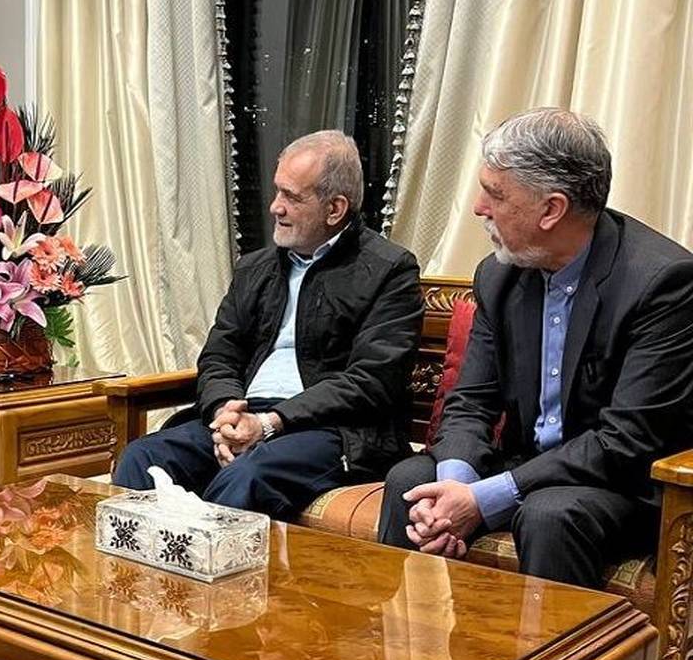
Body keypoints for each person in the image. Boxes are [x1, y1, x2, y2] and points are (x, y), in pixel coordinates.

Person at [378, 108, 693, 588]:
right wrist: (457, 484)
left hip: (619, 481)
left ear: (551, 209)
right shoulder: (499, 275)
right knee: (411, 482)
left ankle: (561, 643)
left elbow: (625, 440)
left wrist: (483, 498)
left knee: (550, 514)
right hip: (526, 463)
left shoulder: (662, 283)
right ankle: (408, 633)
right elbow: (471, 402)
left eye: (495, 194)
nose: (478, 207)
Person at [113, 130, 424, 520]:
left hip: (333, 431)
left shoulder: (389, 270)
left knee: (247, 476)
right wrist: (225, 411)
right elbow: (220, 354)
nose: (276, 207)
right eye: (277, 191)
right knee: (143, 458)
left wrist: (270, 423)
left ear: (335, 208)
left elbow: (371, 380)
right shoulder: (256, 268)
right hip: (245, 415)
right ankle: (145, 563)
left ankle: (202, 561)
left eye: (292, 197)